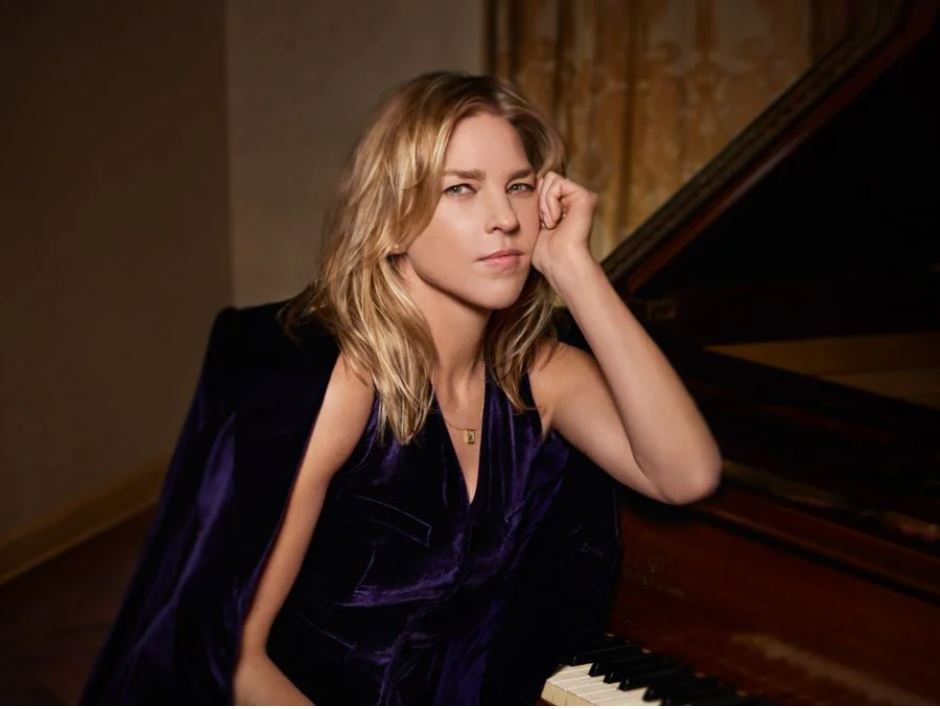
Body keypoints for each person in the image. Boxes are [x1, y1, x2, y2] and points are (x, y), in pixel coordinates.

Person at [80, 71, 721, 706]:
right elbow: (237, 658)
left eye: (519, 186)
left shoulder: (539, 373)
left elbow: (685, 475)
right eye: (461, 189)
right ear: (391, 219)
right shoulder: (346, 382)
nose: (504, 219)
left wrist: (574, 268)